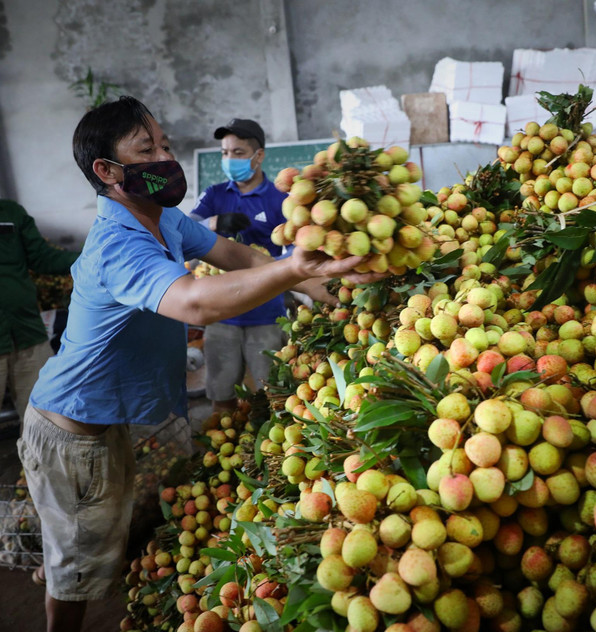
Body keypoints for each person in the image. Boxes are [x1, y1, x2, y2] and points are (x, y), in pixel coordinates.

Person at [18, 96, 380, 632]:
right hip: (72, 435)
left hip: (106, 426)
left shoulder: (164, 219)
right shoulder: (117, 243)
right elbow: (196, 301)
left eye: (164, 144)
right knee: (75, 573)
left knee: (92, 550)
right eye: (148, 149)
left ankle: (67, 574)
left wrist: (330, 286)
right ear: (107, 171)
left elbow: (237, 256)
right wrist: (289, 270)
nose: (166, 156)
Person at [190, 118, 332, 413]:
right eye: (225, 153)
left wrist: (270, 267)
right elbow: (183, 234)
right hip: (221, 316)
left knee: (275, 397)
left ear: (259, 156)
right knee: (220, 395)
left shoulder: (280, 198)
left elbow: (297, 255)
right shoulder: (214, 195)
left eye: (238, 153)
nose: (229, 160)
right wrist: (214, 223)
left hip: (266, 316)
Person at [0, 199, 79, 425]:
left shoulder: (11, 212)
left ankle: (37, 462)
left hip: (28, 333)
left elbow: (42, 257)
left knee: (49, 420)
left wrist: (88, 257)